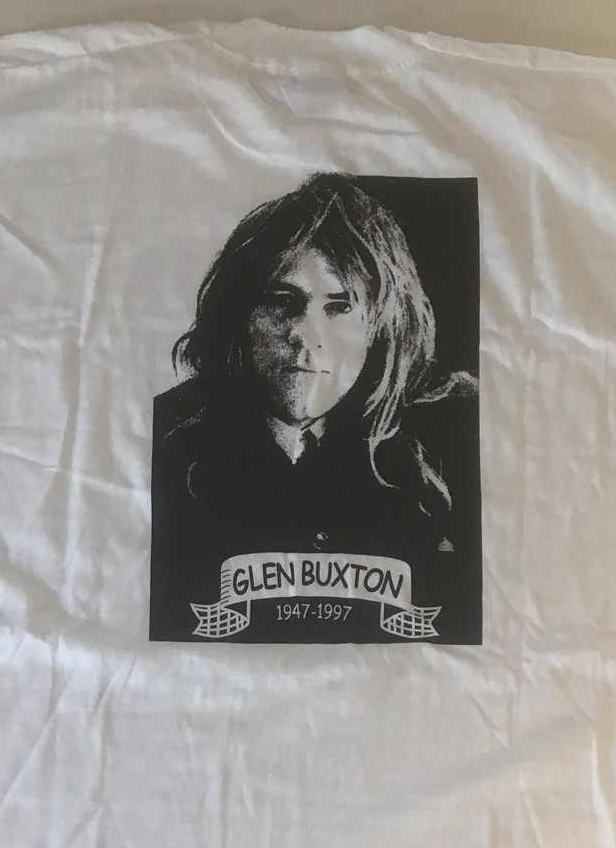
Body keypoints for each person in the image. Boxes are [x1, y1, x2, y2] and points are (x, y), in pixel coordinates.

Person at [150, 172, 479, 641]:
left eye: (339, 307)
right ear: (239, 316)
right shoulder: (166, 439)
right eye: (282, 302)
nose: (306, 336)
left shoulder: (447, 445)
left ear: (381, 326)